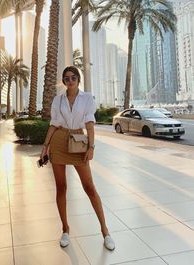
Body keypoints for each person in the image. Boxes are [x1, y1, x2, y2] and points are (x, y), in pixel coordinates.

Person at [40, 66, 115, 250]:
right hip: (59, 141)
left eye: (73, 77)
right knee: (61, 187)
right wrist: (45, 147)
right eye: (66, 78)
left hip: (78, 141)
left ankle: (105, 231)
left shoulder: (87, 98)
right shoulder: (58, 100)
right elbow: (53, 124)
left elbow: (89, 123)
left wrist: (91, 146)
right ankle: (65, 229)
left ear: (78, 80)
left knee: (89, 188)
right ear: (63, 81)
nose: (70, 81)